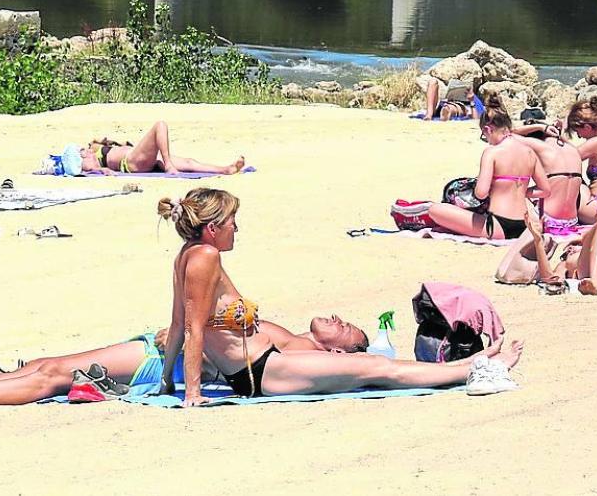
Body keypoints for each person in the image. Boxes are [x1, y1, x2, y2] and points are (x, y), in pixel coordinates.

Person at [158, 188, 524, 406]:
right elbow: (192, 329)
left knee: (372, 369)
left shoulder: (188, 255)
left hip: (258, 367)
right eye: (232, 220)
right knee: (375, 369)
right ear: (213, 228)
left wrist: (166, 382)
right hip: (261, 370)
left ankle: (472, 364)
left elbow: (179, 323)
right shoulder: (206, 257)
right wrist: (192, 391)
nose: (237, 227)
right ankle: (477, 367)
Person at [0, 315, 368, 406]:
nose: (339, 319)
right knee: (48, 363)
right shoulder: (292, 336)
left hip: (161, 362)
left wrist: (179, 342)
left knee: (51, 375)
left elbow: (233, 364)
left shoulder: (299, 354)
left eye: (348, 329)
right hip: (162, 347)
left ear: (336, 352)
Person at [419, 97, 551, 240]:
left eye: (484, 135)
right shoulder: (530, 153)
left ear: (488, 129)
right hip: (525, 225)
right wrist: (521, 192)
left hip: (497, 225)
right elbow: (545, 190)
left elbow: (481, 193)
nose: (487, 140)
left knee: (435, 209)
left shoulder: (492, 152)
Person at [79, 121, 245, 176]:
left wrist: (113, 142)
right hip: (129, 163)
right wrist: (103, 170)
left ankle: (225, 169)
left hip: (134, 158)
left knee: (189, 162)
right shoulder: (89, 152)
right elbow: (90, 168)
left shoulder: (108, 146)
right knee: (160, 125)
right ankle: (168, 164)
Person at [508, 118, 583, 236]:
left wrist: (540, 126)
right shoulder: (572, 149)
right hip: (571, 223)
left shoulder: (541, 147)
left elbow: (507, 134)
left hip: (547, 220)